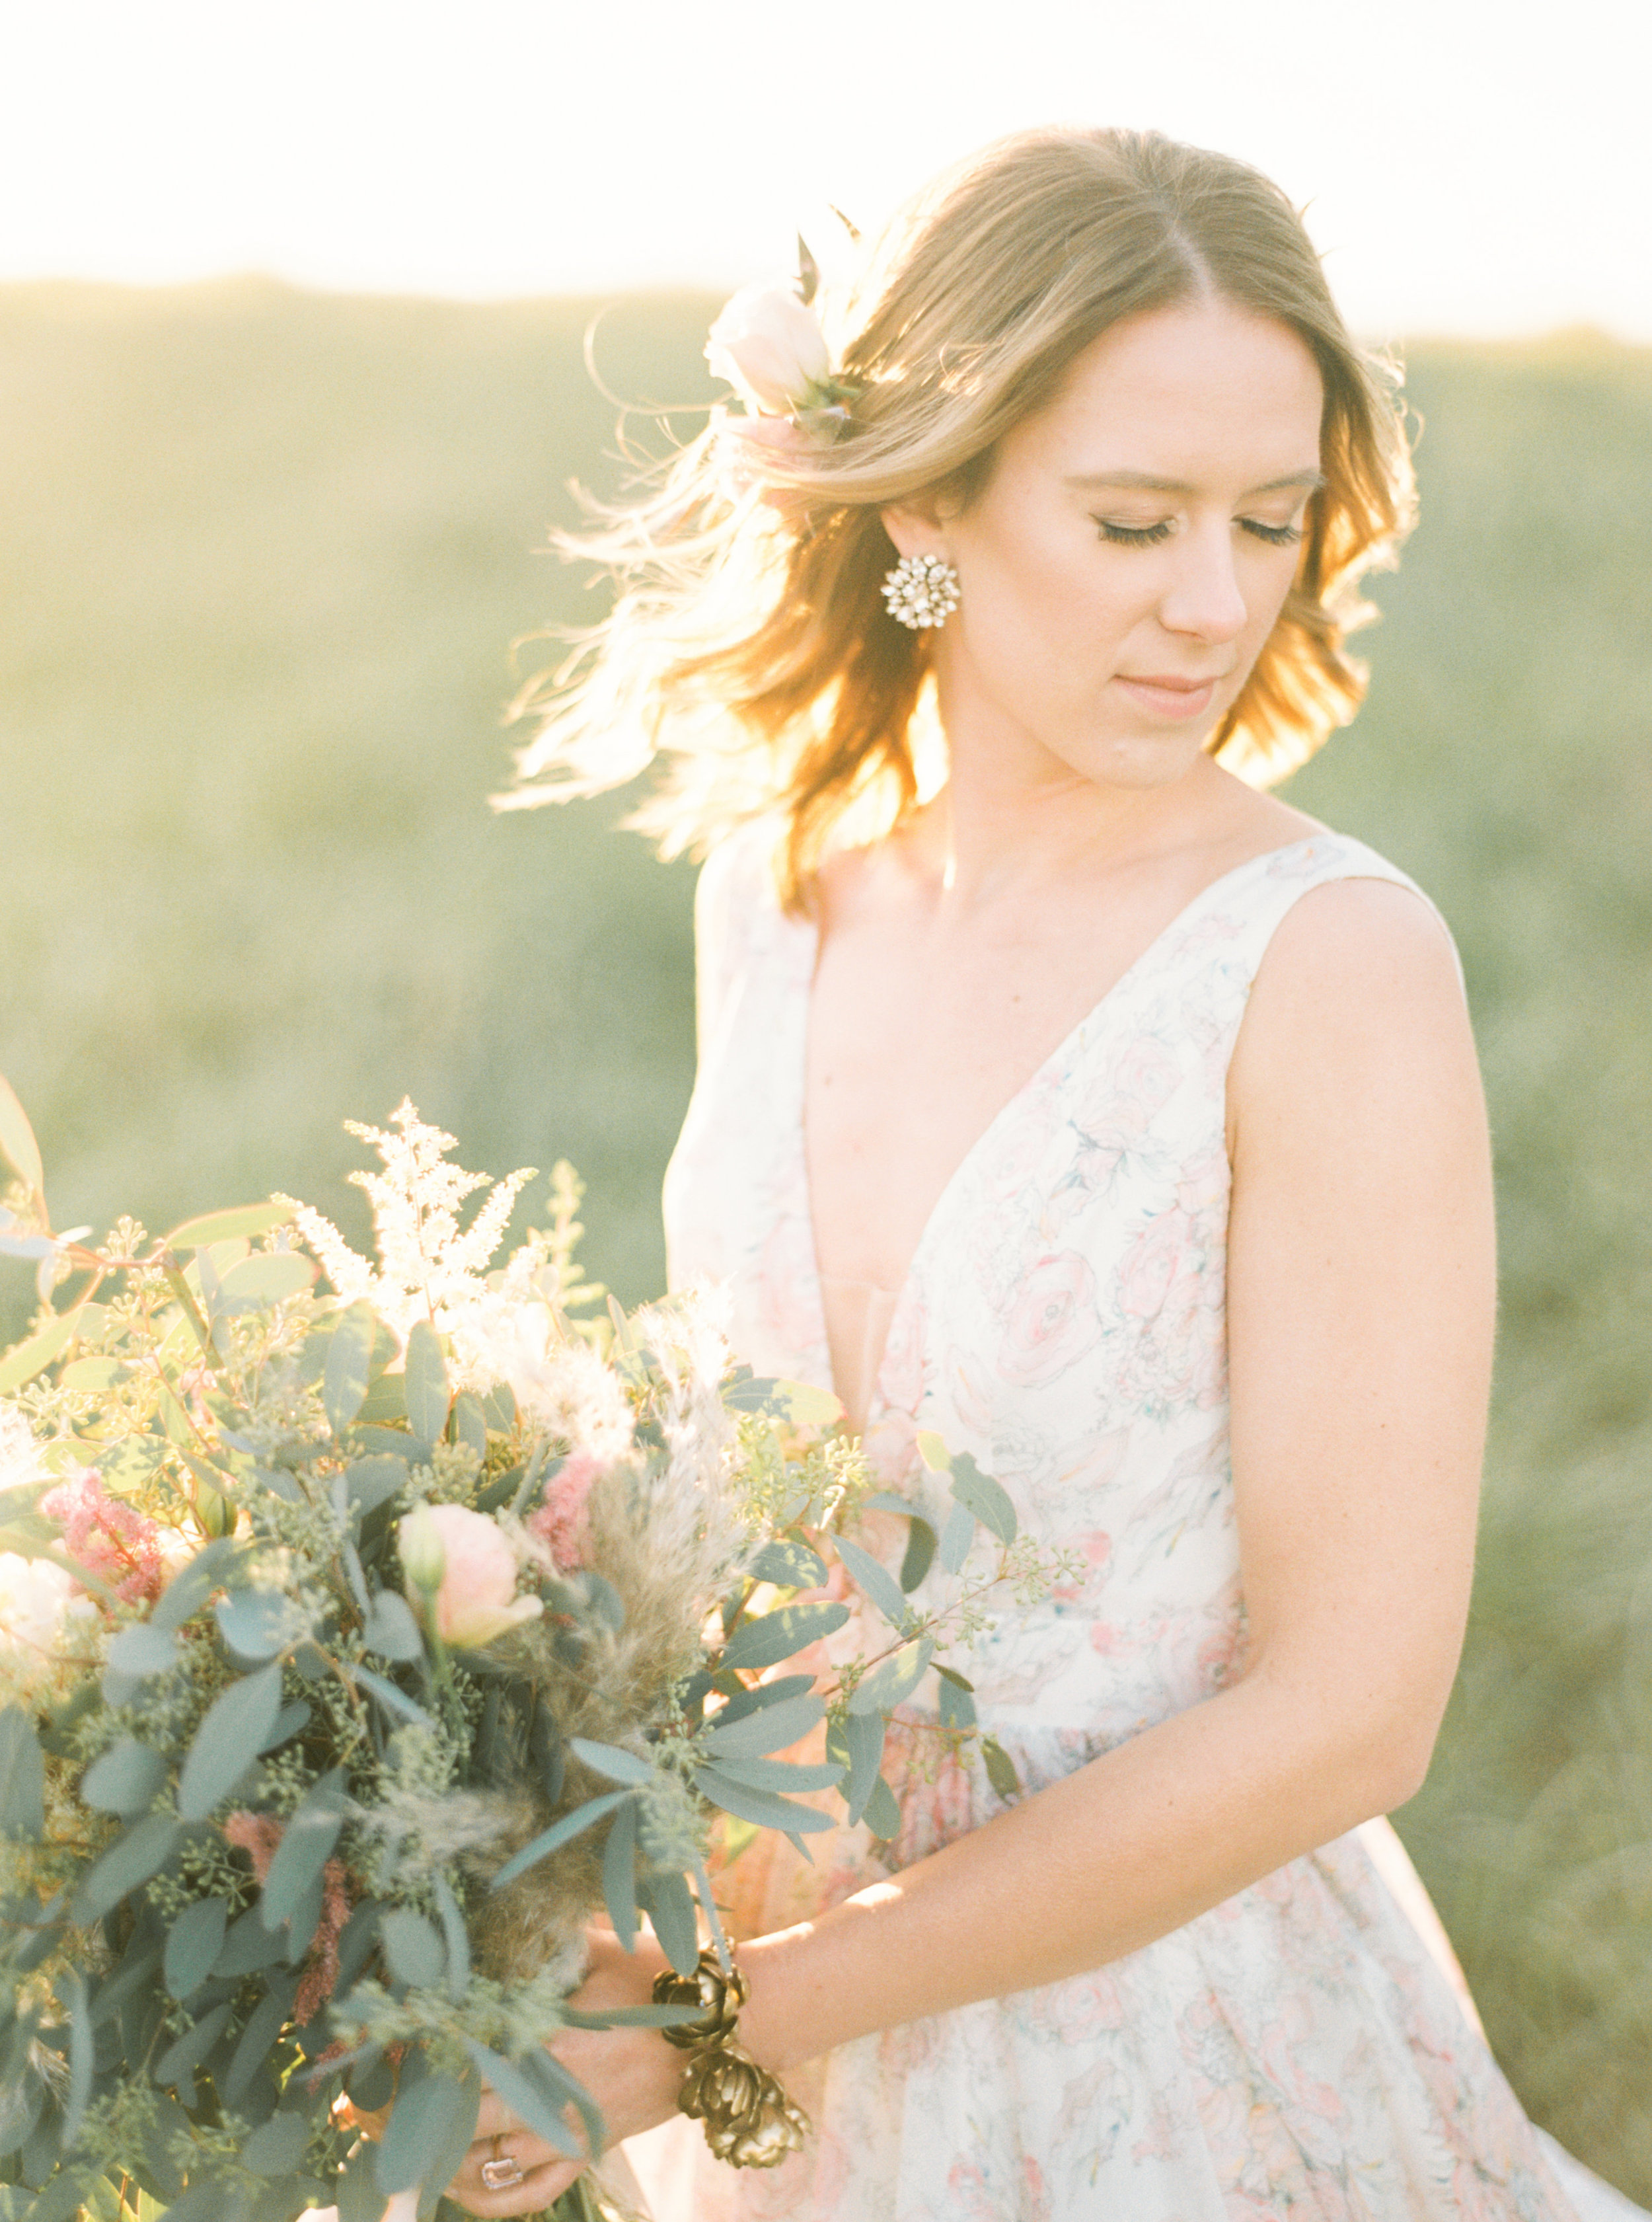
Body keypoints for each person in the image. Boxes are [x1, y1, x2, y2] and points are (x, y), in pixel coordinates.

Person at [454, 128, 1645, 2221]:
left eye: (1267, 520)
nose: (1214, 599)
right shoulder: (783, 893)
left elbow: (1349, 1711)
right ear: (928, 489)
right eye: (1131, 520)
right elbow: (745, 1504)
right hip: (777, 2054)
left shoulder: (1325, 964)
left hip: (1152, 2047)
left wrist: (733, 2017)